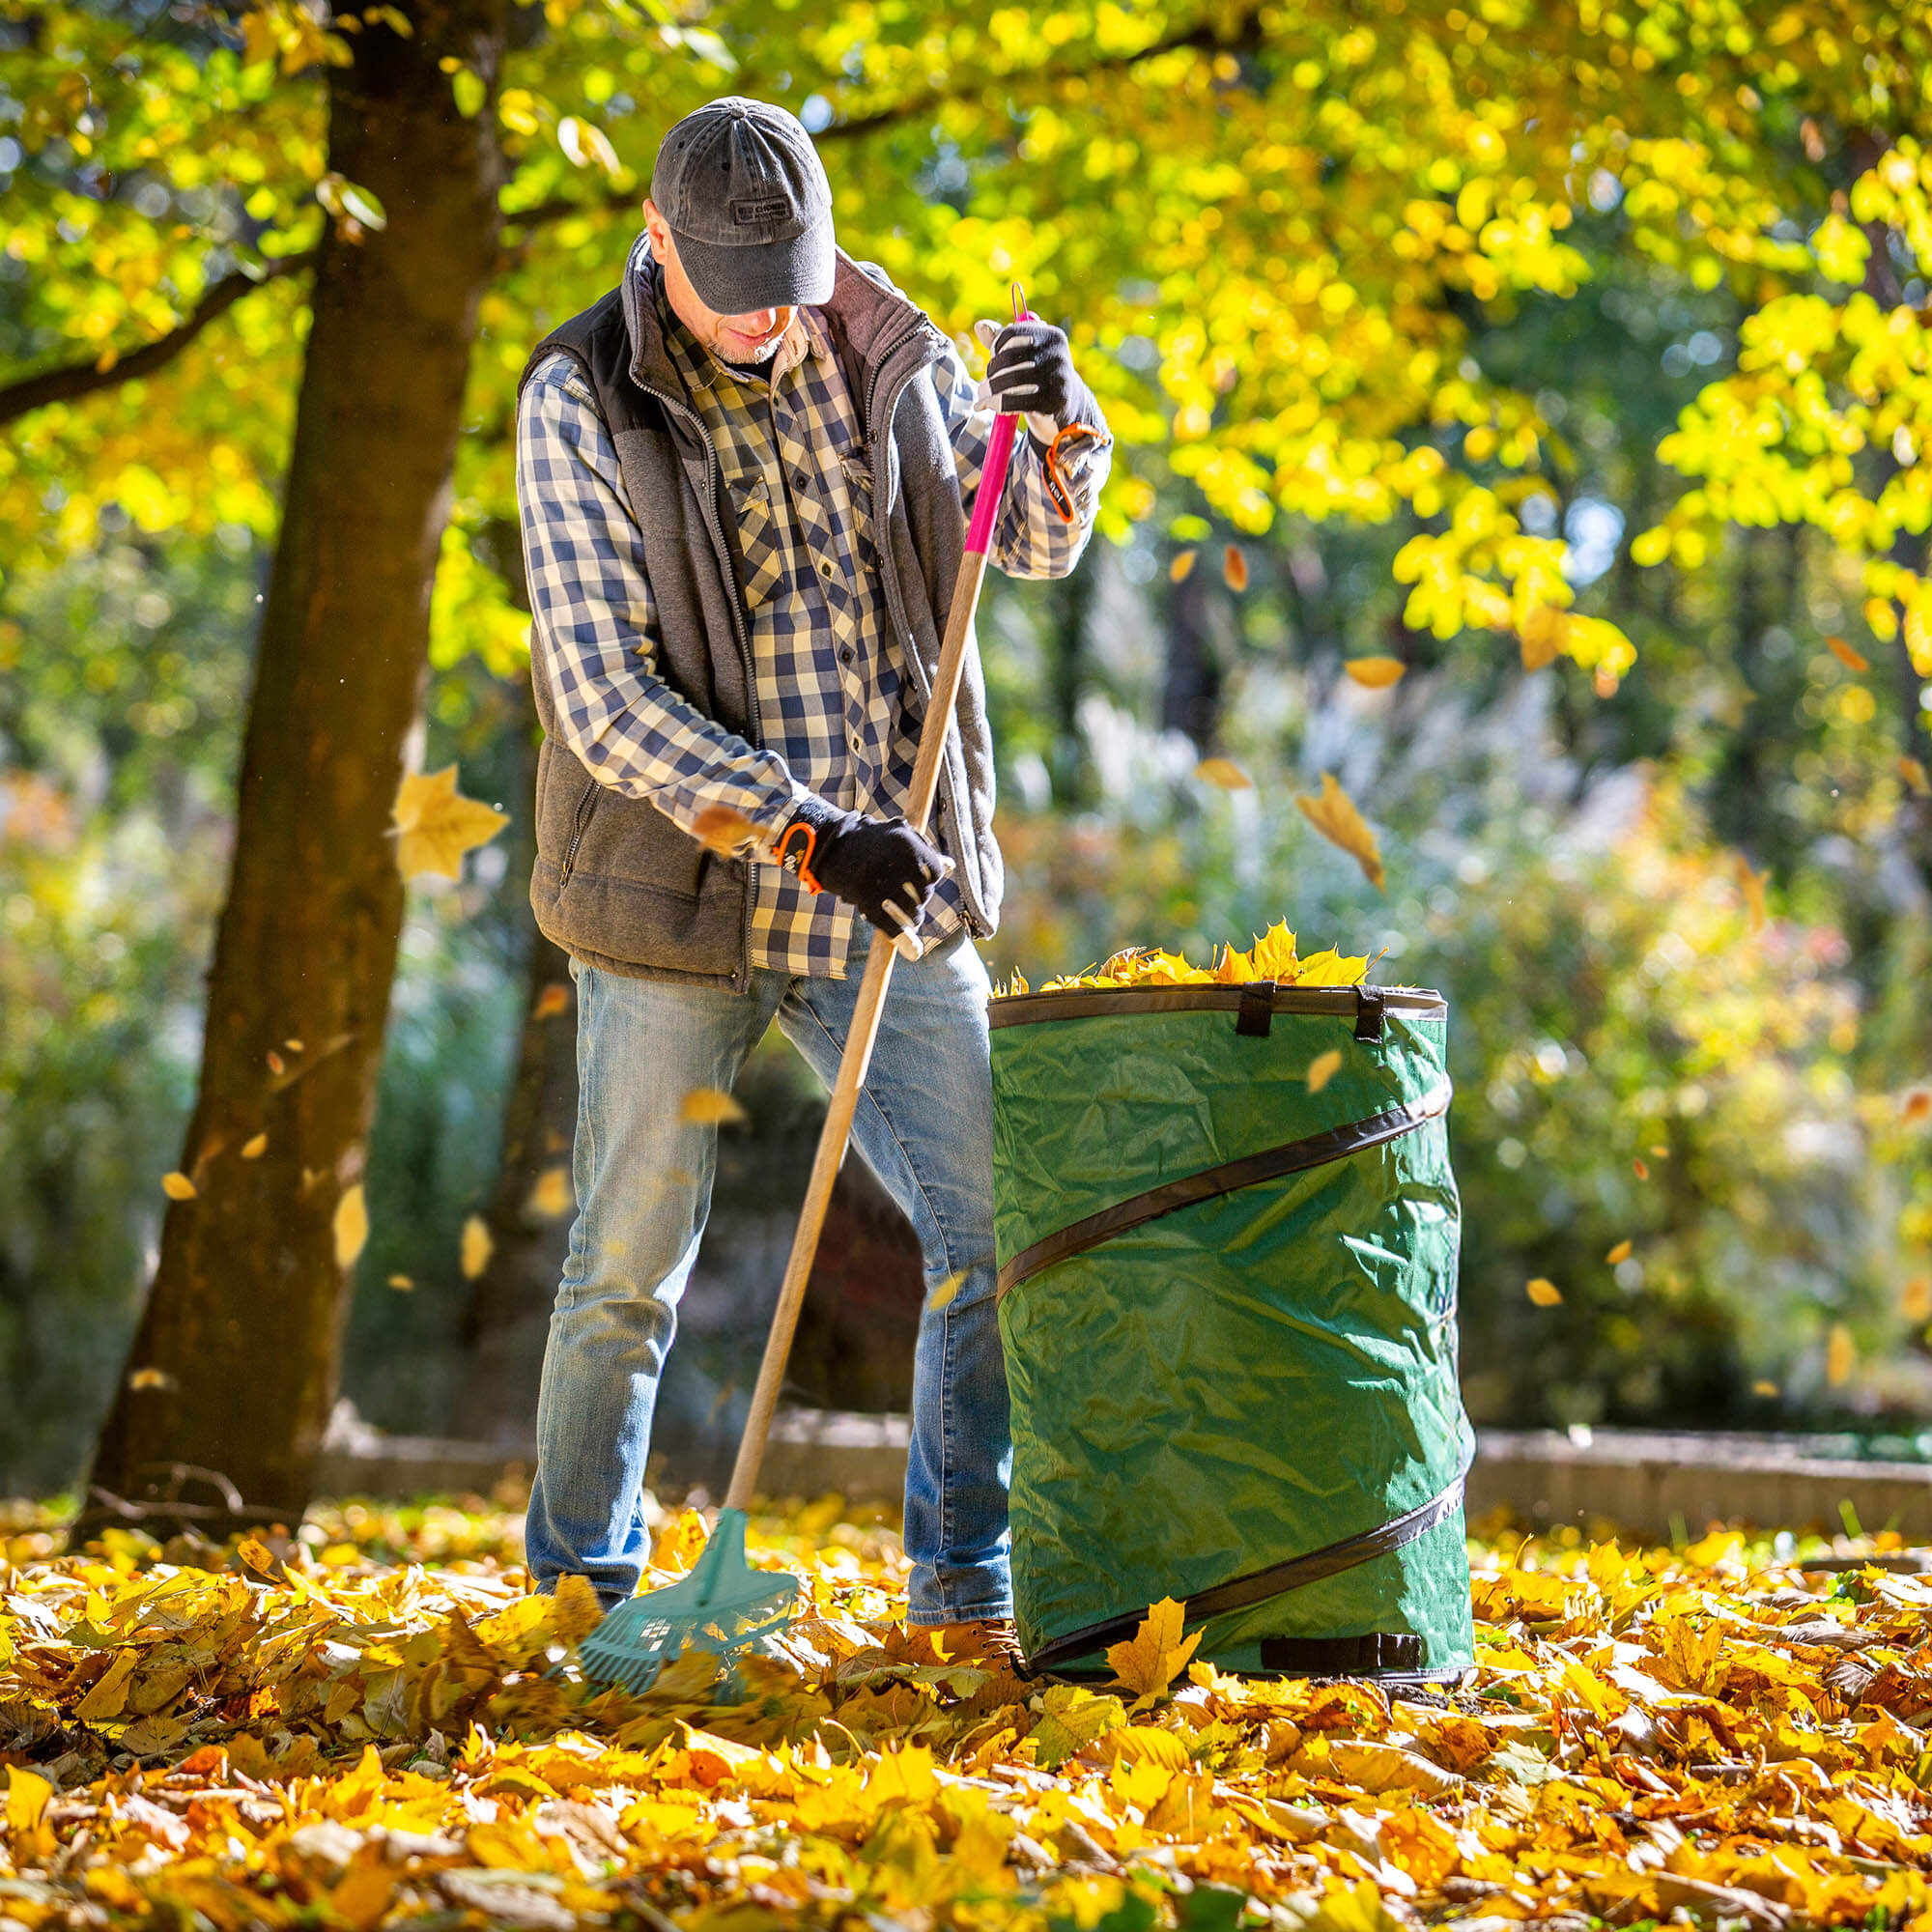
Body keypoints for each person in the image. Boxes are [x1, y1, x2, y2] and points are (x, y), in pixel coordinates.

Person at [513, 95, 1111, 1659]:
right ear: (657, 242)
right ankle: (584, 1594)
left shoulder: (884, 349)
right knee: (627, 1270)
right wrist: (804, 828)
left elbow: (1027, 541)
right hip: (681, 900)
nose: (766, 318)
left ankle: (964, 1582)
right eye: (732, 290)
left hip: (889, 889)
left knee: (999, 1225)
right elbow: (604, 700)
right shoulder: (581, 397)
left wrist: (1057, 430)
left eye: (787, 283)